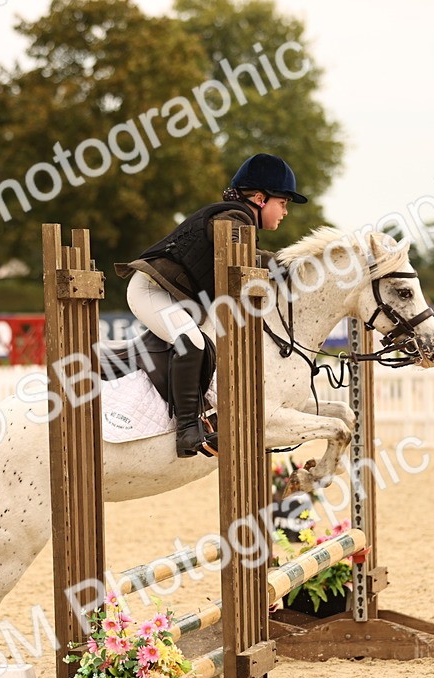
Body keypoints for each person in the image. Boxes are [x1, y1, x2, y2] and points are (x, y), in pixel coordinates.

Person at [116, 153, 308, 458]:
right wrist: (292, 264)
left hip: (174, 295)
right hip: (151, 290)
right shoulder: (231, 218)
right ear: (260, 198)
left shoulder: (240, 220)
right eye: (283, 203)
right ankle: (188, 431)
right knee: (192, 342)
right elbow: (247, 259)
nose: (285, 211)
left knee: (202, 340)